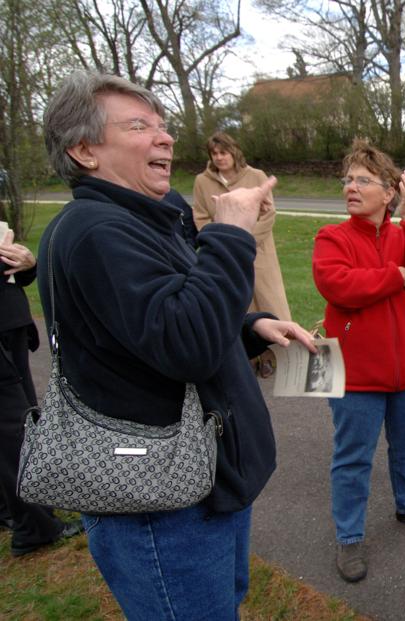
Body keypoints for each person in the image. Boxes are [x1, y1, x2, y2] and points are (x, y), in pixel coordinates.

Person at [39, 71, 315, 619]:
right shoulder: (98, 231)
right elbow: (184, 342)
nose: (165, 138)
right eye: (140, 126)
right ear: (84, 150)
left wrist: (248, 325)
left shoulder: (144, 221)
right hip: (161, 501)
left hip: (205, 481)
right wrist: (231, 233)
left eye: (163, 126)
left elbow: (161, 323)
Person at [312, 138, 405, 583]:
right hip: (356, 375)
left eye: (362, 180)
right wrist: (397, 275)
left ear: (389, 192)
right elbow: (339, 286)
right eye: (347, 179)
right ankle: (350, 536)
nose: (350, 187)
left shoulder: (404, 232)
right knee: (352, 458)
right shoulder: (331, 237)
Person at [0, 228, 83, 556]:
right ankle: (34, 526)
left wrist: (26, 263)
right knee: (14, 429)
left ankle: (11, 508)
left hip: (9, 325)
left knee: (17, 423)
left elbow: (16, 275)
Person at [193, 132, 290, 377]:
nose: (219, 158)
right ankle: (246, 357)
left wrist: (246, 239)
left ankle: (274, 356)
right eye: (214, 154)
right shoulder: (202, 182)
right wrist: (222, 240)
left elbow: (269, 214)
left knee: (269, 301)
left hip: (259, 250)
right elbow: (201, 216)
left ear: (234, 152)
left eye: (223, 153)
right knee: (238, 304)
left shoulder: (255, 176)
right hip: (226, 253)